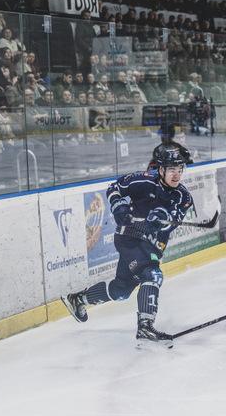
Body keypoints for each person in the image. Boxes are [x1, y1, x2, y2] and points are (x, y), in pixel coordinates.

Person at [61, 147, 194, 348]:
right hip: (129, 238)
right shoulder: (143, 181)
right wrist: (119, 207)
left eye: (180, 169)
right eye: (172, 169)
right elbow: (114, 188)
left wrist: (161, 218)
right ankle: (145, 327)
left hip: (152, 246)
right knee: (152, 275)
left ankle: (79, 299)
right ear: (161, 170)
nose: (177, 174)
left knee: (121, 290)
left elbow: (172, 220)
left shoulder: (183, 197)